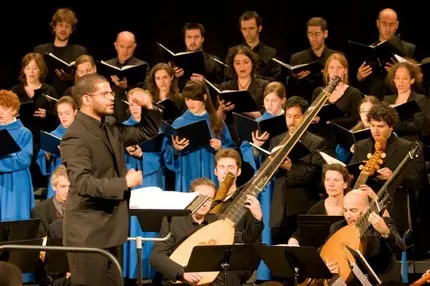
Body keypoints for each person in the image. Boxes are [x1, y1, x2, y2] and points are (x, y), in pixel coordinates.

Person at [60, 73, 161, 285]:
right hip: (87, 233)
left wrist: (148, 105)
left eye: (111, 92)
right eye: (104, 94)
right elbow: (82, 182)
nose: (111, 97)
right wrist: (124, 183)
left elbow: (147, 130)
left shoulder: (110, 125)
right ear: (87, 99)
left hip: (110, 230)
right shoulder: (75, 136)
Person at [252, 96, 328, 244]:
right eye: (288, 116)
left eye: (296, 116)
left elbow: (317, 176)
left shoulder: (317, 142)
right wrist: (260, 151)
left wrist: (290, 167)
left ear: (305, 117)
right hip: (279, 207)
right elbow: (265, 172)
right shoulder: (276, 140)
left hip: (302, 205)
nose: (292, 121)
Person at [122, 88, 165, 280]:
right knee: (131, 226)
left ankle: (152, 272)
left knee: (150, 226)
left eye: (138, 103)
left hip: (151, 180)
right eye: (131, 104)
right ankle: (130, 272)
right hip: (130, 179)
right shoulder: (123, 127)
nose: (134, 108)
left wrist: (142, 155)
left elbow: (166, 158)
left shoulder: (157, 127)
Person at [163, 80, 235, 193]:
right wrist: (175, 149)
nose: (190, 103)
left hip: (210, 170)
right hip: (187, 173)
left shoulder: (216, 121)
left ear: (204, 97)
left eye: (194, 99)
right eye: (187, 99)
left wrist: (220, 148)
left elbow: (231, 150)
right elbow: (167, 153)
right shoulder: (178, 123)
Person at [326, 190, 405, 284]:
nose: (348, 216)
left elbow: (400, 248)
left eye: (353, 210)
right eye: (345, 210)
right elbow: (324, 251)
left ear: (366, 210)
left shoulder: (382, 223)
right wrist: (327, 264)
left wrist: (385, 232)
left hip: (383, 282)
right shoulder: (338, 227)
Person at [150, 178, 219, 285]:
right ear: (191, 198)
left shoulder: (217, 221)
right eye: (201, 198)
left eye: (209, 199)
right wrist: (182, 273)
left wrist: (256, 217)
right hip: (179, 280)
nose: (205, 203)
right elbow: (156, 256)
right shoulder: (173, 220)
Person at [213, 148, 264, 282]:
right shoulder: (208, 202)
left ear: (238, 171)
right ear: (216, 171)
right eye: (222, 167)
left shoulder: (247, 202)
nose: (226, 171)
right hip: (208, 258)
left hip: (236, 263)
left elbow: (253, 244)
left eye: (231, 167)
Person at [355, 8, 416, 99]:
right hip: (375, 102)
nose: (387, 28)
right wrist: (359, 78)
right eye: (384, 24)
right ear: (377, 24)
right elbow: (360, 87)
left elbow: (416, 80)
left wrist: (399, 70)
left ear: (397, 25)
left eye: (391, 24)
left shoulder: (409, 49)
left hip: (399, 100)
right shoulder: (367, 50)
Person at [311, 53, 364, 153]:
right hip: (320, 139)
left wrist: (335, 121)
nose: (335, 71)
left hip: (341, 141)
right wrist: (314, 119)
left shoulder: (353, 93)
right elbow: (313, 117)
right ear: (326, 71)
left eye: (339, 67)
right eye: (331, 67)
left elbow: (356, 120)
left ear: (345, 70)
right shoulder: (318, 92)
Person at [34, 8, 87, 96]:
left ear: (71, 30)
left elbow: (85, 78)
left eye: (67, 26)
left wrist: (72, 78)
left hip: (71, 97)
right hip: (45, 97)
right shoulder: (40, 50)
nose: (63, 29)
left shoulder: (80, 51)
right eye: (60, 25)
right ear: (54, 27)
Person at [0, 89, 34, 221]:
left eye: (5, 108)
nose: (0, 112)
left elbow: (24, 159)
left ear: (14, 110)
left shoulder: (24, 132)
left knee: (13, 220)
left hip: (15, 181)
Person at [36, 96, 77, 198]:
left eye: (67, 113)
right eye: (60, 113)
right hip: (57, 180)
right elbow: (41, 161)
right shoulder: (53, 134)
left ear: (75, 112)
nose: (63, 117)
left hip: (77, 179)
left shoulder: (83, 133)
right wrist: (48, 155)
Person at [288, 17, 337, 102]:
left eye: (317, 34)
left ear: (325, 34)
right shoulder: (297, 58)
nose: (313, 38)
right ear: (307, 34)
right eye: (310, 34)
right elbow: (291, 89)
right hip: (304, 103)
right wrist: (297, 78)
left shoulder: (336, 57)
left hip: (331, 101)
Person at [225, 11, 281, 82]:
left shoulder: (271, 53)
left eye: (251, 28)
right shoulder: (232, 51)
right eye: (244, 29)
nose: (247, 32)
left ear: (259, 28)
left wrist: (253, 78)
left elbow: (277, 80)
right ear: (241, 30)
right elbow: (227, 78)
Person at [384, 61, 427, 142]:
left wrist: (395, 123)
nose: (401, 82)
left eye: (405, 78)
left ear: (412, 80)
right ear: (394, 80)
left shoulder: (419, 99)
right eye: (397, 78)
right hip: (390, 142)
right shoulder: (387, 100)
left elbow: (417, 125)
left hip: (409, 141)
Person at [174, 22, 225, 89]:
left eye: (196, 37)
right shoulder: (175, 63)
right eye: (189, 37)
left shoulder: (214, 62)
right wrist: (173, 78)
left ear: (202, 39)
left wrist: (205, 83)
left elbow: (221, 88)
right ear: (185, 39)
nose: (192, 41)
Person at [335, 95, 380, 163]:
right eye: (363, 111)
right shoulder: (351, 133)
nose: (366, 115)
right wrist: (348, 149)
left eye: (370, 111)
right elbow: (340, 160)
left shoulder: (386, 132)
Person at [31, 164, 69, 238]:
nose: (67, 191)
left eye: (70, 186)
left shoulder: (83, 207)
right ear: (54, 186)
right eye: (63, 186)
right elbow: (40, 244)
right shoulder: (39, 211)